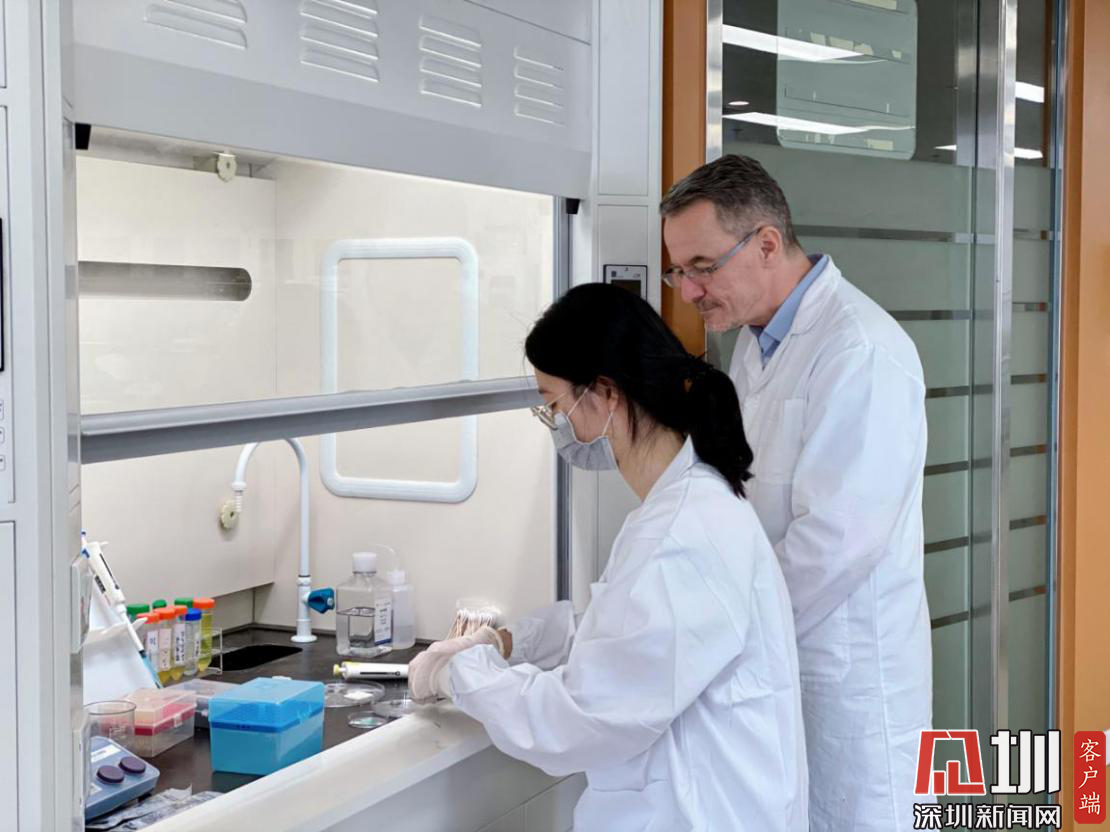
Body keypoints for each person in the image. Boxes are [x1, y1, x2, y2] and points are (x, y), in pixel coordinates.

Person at [409, 283, 807, 831]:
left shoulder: (680, 538)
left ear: (605, 393)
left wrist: (461, 674)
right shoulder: (683, 506)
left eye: (555, 405)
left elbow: (578, 719)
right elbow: (628, 632)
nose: (559, 427)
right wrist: (510, 642)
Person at [660, 153, 933, 831]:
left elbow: (837, 542)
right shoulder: (754, 343)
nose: (688, 291)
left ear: (767, 244)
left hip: (848, 682)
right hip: (778, 666)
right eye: (678, 271)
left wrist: (724, 625)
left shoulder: (862, 350)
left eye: (702, 267)